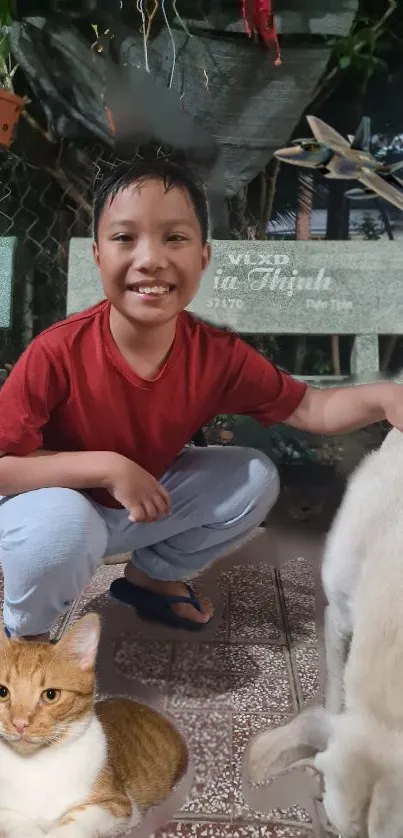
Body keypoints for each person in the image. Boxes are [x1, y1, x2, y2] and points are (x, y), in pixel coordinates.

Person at [0, 158, 402, 642]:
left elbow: (311, 408)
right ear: (98, 257)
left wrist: (384, 396)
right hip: (50, 511)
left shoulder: (214, 355)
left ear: (203, 258)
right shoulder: (57, 351)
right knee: (62, 531)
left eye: (174, 237)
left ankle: (152, 578)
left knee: (253, 477)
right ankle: (25, 634)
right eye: (126, 238)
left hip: (138, 507)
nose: (150, 259)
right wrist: (107, 467)